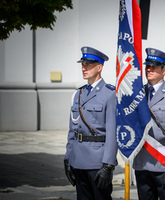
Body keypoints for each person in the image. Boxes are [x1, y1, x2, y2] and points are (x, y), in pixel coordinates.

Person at [64, 46, 118, 200]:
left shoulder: (109, 94)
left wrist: (108, 165)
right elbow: (72, 130)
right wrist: (68, 158)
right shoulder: (78, 94)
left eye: (88, 65)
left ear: (99, 67)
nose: (84, 68)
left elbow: (112, 133)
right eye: (83, 64)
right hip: (78, 160)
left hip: (97, 162)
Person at [132, 48, 165, 200]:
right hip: (142, 160)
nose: (149, 69)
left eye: (154, 66)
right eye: (147, 66)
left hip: (164, 161)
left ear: (164, 70)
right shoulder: (137, 94)